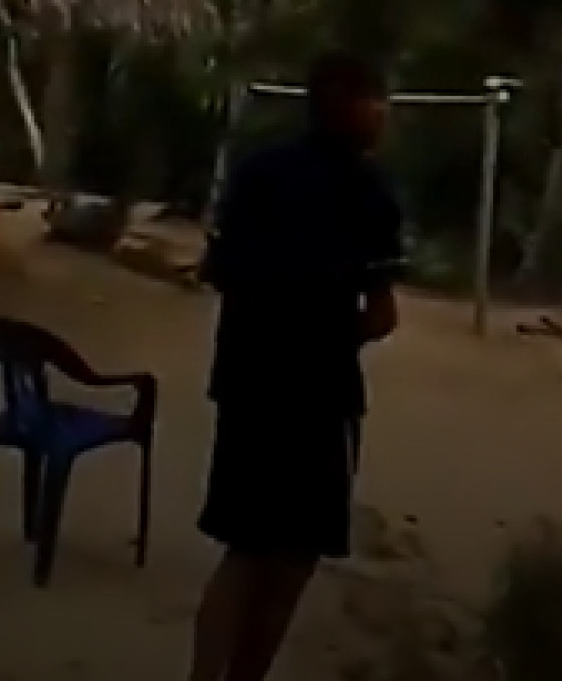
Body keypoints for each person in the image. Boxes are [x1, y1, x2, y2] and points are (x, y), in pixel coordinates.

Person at [188, 51, 404, 681]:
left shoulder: (258, 172)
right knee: (294, 558)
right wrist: (328, 340)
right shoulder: (371, 192)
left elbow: (218, 272)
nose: (384, 114)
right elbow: (382, 315)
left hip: (248, 385)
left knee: (244, 551)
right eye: (377, 99)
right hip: (319, 396)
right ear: (350, 104)